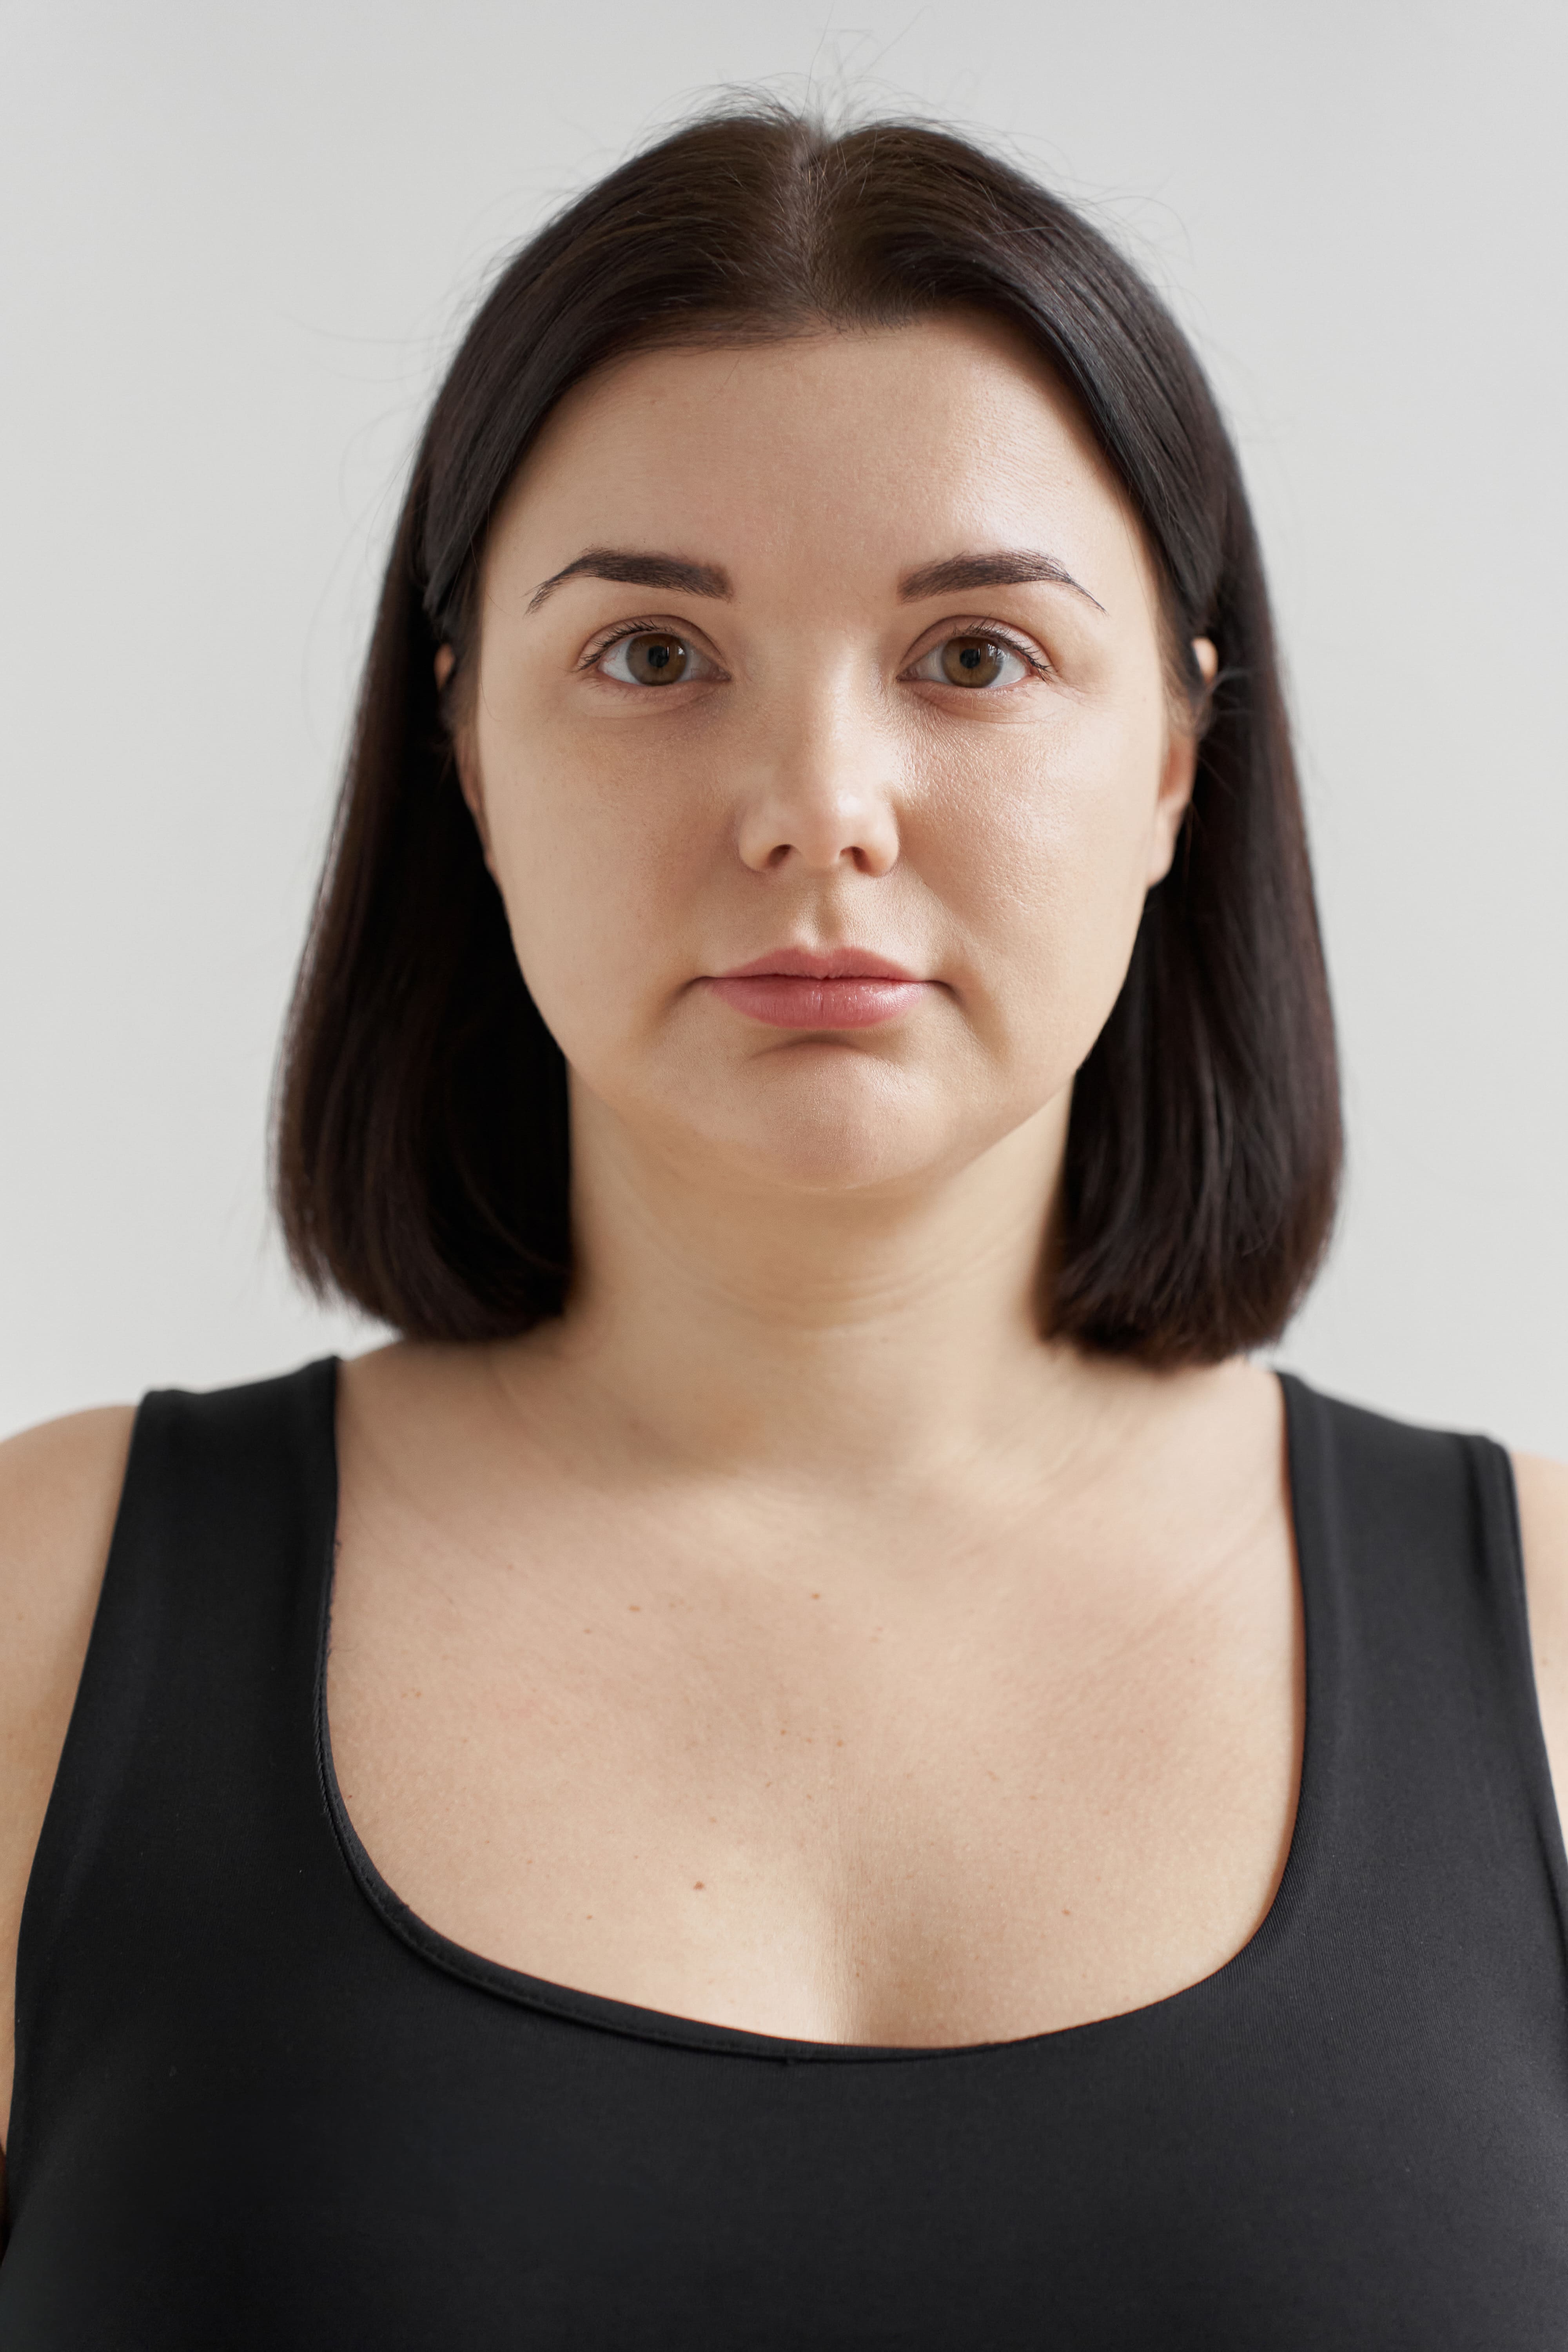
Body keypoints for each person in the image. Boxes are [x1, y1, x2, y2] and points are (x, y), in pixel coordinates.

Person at [1, 103, 1565, 2346]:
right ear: (466, 749)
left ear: (1173, 759)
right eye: (653, 654)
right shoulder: (42, 1623)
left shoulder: (1554, 1660)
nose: (818, 807)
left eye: (975, 657)